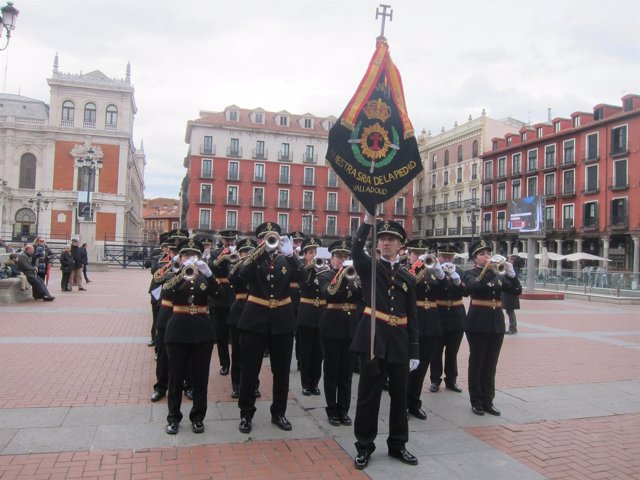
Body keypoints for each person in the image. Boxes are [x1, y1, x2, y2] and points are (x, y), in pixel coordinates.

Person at [350, 213, 420, 470]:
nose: (387, 243)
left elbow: (412, 316)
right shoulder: (369, 267)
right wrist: (368, 222)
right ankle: (364, 446)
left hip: (400, 342)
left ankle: (398, 444)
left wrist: (415, 350)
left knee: (400, 398)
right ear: (377, 244)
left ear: (401, 245)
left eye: (392, 240)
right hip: (373, 340)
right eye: (383, 239)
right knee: (368, 397)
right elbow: (355, 249)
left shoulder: (409, 278)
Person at [235, 222, 306, 434]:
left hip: (282, 322)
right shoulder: (253, 260)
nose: (269, 241)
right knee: (249, 370)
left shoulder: (286, 259)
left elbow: (304, 277)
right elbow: (241, 275)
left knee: (281, 371)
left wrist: (292, 255)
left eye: (273, 237)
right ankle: (246, 414)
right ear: (259, 240)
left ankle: (279, 413)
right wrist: (260, 252)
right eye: (265, 237)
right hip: (254, 320)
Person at [163, 237, 219, 435]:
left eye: (193, 255)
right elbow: (165, 293)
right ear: (180, 257)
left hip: (202, 331)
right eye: (186, 255)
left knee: (200, 377)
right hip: (178, 330)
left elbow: (219, 294)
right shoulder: (173, 274)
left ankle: (198, 417)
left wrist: (210, 274)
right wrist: (180, 273)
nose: (190, 258)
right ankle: (173, 418)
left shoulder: (204, 276)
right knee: (175, 377)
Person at [462, 239, 522, 416]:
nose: (487, 257)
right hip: (477, 323)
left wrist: (511, 274)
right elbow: (475, 287)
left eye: (488, 254)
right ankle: (476, 400)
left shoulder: (498, 275)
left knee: (491, 364)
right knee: (477, 362)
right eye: (482, 254)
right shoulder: (470, 273)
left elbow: (515, 291)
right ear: (475, 259)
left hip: (496, 323)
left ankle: (488, 400)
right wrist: (490, 270)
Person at [316, 239, 362, 427]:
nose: (342, 260)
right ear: (332, 258)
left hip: (351, 327)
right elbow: (329, 293)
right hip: (332, 327)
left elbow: (363, 297)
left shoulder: (355, 276)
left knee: (347, 372)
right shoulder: (324, 275)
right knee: (331, 370)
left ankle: (344, 410)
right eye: (339, 257)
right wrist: (342, 275)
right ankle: (332, 410)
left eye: (345, 257)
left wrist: (357, 280)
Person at [403, 239, 447, 420]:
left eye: (422, 253)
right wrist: (419, 266)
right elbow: (407, 287)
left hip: (432, 323)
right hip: (414, 322)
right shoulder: (405, 271)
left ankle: (415, 403)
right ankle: (403, 405)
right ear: (409, 254)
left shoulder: (432, 274)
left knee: (422, 367)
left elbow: (447, 291)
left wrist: (441, 273)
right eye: (415, 253)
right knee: (409, 368)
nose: (419, 256)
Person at [429, 242, 467, 394]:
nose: (447, 260)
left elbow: (466, 292)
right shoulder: (432, 271)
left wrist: (458, 282)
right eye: (444, 256)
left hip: (456, 315)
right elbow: (430, 289)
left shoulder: (461, 271)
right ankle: (435, 380)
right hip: (438, 314)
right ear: (438, 257)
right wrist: (440, 275)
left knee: (452, 352)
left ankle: (451, 380)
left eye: (450, 257)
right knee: (436, 351)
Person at [227, 237, 258, 398]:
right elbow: (231, 279)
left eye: (249, 251)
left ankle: (254, 384)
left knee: (254, 352)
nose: (246, 254)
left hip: (254, 311)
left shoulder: (257, 266)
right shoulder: (235, 266)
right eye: (244, 251)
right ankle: (236, 384)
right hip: (238, 310)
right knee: (237, 352)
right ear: (239, 253)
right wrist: (239, 264)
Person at [296, 236, 325, 397]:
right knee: (306, 351)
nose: (314, 255)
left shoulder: (325, 270)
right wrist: (311, 269)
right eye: (311, 252)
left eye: (316, 252)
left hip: (321, 314)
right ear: (305, 255)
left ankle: (315, 383)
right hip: (306, 313)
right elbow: (303, 284)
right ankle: (306, 384)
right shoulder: (302, 269)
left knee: (318, 353)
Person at [208, 229, 239, 376]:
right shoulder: (215, 253)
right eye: (228, 240)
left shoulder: (240, 252)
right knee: (220, 333)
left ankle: (236, 364)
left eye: (232, 240)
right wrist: (223, 255)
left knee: (235, 334)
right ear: (222, 240)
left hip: (234, 296)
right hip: (219, 297)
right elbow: (211, 267)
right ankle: (224, 363)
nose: (230, 243)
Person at [503, 254, 521, 334]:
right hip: (507, 293)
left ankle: (512, 328)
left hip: (511, 293)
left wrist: (506, 272)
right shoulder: (510, 267)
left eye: (510, 259)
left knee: (510, 311)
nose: (508, 260)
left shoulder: (514, 268)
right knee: (509, 311)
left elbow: (513, 278)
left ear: (513, 261)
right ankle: (512, 328)